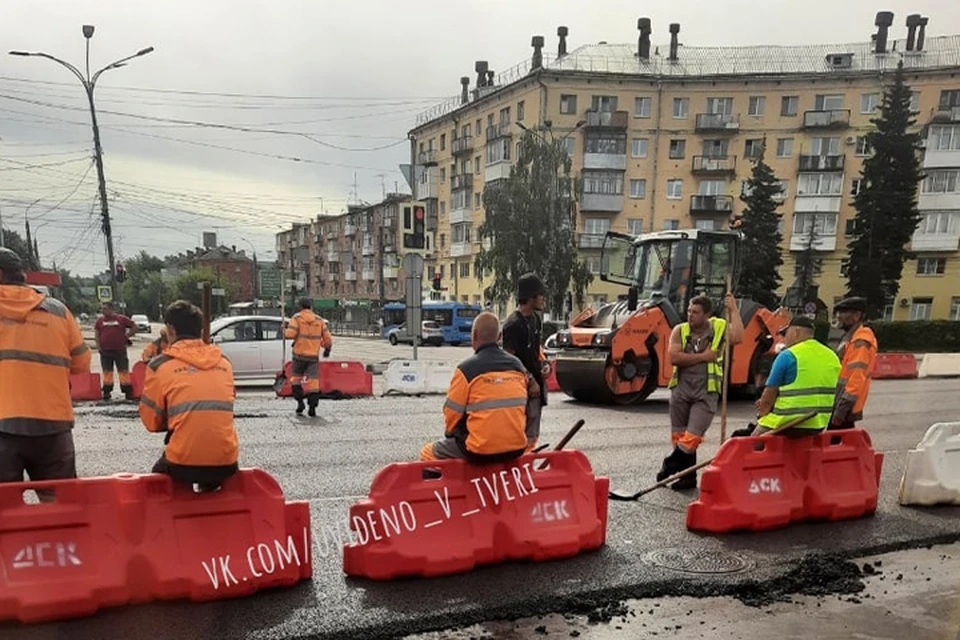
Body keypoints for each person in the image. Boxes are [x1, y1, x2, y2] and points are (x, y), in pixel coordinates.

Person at [0, 247, 91, 498]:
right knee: (60, 505)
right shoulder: (58, 311)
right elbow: (82, 364)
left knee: (4, 510)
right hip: (53, 425)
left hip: (3, 428)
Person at [139, 300, 239, 490]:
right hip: (226, 461)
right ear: (200, 329)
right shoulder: (224, 362)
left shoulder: (159, 366)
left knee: (156, 487)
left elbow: (151, 422)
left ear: (170, 329)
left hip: (182, 461)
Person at [420, 311, 539, 462]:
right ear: (499, 337)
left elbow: (452, 414)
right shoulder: (518, 367)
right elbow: (531, 406)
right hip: (515, 449)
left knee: (427, 453)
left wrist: (451, 434)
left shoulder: (466, 370)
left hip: (479, 451)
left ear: (474, 335)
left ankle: (454, 485)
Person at [657, 293, 744, 490]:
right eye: (689, 311)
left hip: (706, 391)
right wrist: (705, 356)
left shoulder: (719, 328)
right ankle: (687, 478)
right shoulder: (680, 330)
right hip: (681, 388)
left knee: (693, 436)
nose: (690, 315)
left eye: (695, 312)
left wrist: (733, 310)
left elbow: (739, 336)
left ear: (707, 314)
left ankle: (670, 464)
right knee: (679, 435)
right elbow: (674, 358)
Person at [750, 315, 842, 435]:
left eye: (785, 334)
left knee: (749, 446)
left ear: (796, 332)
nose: (783, 339)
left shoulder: (787, 355)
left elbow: (768, 399)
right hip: (818, 425)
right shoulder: (832, 356)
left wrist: (761, 415)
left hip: (787, 424)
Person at [502, 272, 549, 448]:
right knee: (520, 432)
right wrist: (529, 381)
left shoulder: (535, 319)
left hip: (535, 387)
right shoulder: (513, 324)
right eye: (540, 295)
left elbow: (537, 350)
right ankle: (521, 464)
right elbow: (509, 359)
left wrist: (544, 365)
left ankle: (527, 461)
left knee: (533, 432)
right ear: (531, 297)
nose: (543, 299)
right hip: (520, 389)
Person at [831, 296, 878, 430]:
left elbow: (856, 378)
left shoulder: (861, 342)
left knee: (838, 446)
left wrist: (841, 410)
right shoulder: (849, 338)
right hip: (838, 402)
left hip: (844, 407)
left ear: (857, 316)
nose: (839, 316)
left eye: (843, 313)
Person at [284, 298, 333, 417]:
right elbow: (328, 339)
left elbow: (290, 335)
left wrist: (285, 329)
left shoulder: (297, 318)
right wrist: (327, 350)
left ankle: (300, 403)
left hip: (299, 356)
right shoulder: (319, 320)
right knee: (313, 382)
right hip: (313, 357)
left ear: (300, 306)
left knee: (296, 379)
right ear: (310, 307)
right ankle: (312, 407)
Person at [94, 301, 137, 400]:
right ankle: (107, 391)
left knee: (123, 371)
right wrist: (98, 346)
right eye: (102, 309)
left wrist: (126, 336)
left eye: (104, 309)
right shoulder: (100, 321)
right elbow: (97, 334)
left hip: (119, 350)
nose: (102, 311)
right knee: (107, 372)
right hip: (105, 351)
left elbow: (135, 327)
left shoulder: (121, 319)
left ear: (111, 309)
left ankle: (127, 390)